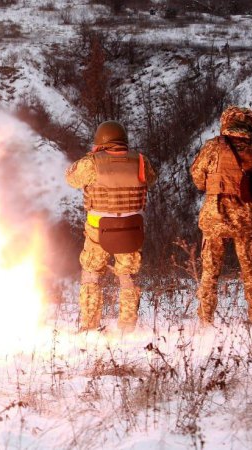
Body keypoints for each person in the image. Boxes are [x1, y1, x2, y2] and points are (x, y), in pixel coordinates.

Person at [65, 121, 157, 332]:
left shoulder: (91, 163)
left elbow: (71, 178)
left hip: (98, 230)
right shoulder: (141, 161)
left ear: (100, 141)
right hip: (131, 229)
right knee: (127, 277)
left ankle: (89, 326)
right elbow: (151, 179)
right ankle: (127, 327)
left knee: (91, 274)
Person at [190, 106, 252, 326]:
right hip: (245, 218)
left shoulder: (213, 147)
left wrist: (215, 185)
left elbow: (197, 177)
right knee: (250, 271)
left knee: (210, 271)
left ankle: (205, 320)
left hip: (216, 215)